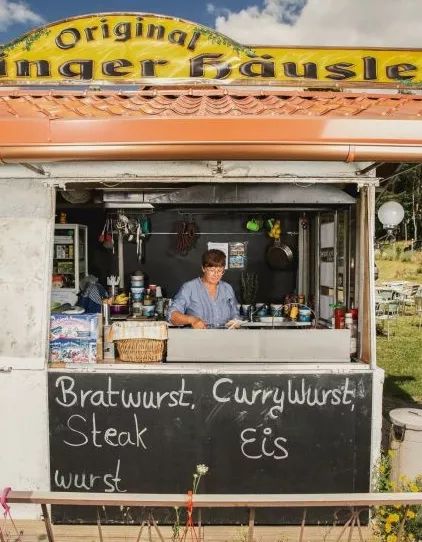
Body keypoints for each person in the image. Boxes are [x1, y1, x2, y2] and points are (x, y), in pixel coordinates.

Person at [168, 249, 240, 329]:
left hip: (224, 339)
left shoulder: (227, 288)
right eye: (212, 270)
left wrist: (235, 322)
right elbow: (172, 315)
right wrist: (192, 320)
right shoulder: (189, 287)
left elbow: (235, 314)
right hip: (197, 339)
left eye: (220, 270)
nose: (216, 274)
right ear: (203, 268)